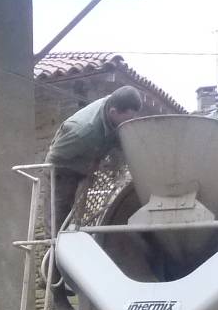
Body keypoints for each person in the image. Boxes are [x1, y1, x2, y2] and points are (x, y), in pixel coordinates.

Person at [45, 85, 144, 237]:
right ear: (113, 112)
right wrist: (83, 168)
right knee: (58, 223)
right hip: (63, 170)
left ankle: (72, 246)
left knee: (77, 221)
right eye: (129, 119)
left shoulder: (115, 107)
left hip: (85, 168)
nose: (131, 122)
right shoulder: (82, 131)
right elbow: (54, 158)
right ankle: (53, 256)